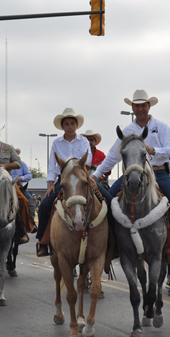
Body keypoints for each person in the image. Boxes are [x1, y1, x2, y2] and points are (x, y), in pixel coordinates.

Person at [91, 89, 170, 266]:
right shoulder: (128, 130)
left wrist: (154, 150)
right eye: (137, 106)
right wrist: (96, 175)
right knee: (108, 202)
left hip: (158, 172)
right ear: (132, 108)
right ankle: (113, 244)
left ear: (149, 106)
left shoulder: (161, 127)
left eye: (143, 105)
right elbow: (113, 156)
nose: (140, 109)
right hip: (133, 173)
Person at [36, 107, 107, 257]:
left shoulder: (83, 141)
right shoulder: (56, 143)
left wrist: (75, 166)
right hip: (63, 179)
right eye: (66, 124)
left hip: (83, 178)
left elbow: (87, 160)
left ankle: (112, 242)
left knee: (108, 200)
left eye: (72, 123)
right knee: (44, 205)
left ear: (77, 126)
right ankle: (42, 241)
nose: (70, 126)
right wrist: (50, 183)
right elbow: (51, 165)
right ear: (62, 126)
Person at [11, 147, 36, 238]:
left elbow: (29, 175)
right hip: (7, 185)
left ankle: (30, 222)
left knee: (30, 200)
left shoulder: (22, 164)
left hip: (19, 186)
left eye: (15, 153)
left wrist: (21, 178)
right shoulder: (5, 164)